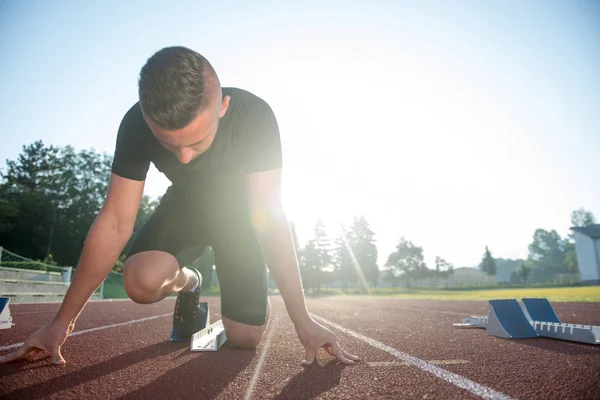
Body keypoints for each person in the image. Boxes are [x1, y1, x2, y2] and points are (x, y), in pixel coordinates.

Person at [0, 46, 360, 366]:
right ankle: (191, 282)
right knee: (140, 282)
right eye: (169, 146)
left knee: (244, 339)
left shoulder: (255, 117)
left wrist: (303, 321)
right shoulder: (135, 124)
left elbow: (270, 220)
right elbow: (114, 222)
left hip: (241, 217)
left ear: (223, 107)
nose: (184, 159)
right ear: (146, 116)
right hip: (187, 207)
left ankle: (247, 300)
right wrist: (60, 324)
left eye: (197, 143)